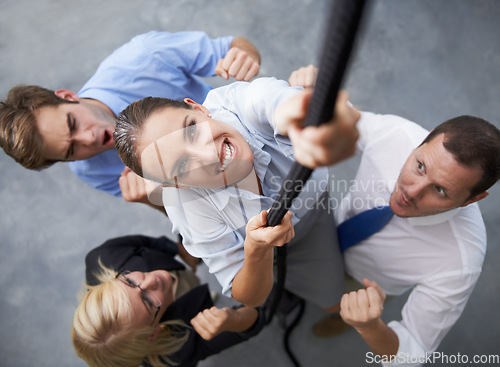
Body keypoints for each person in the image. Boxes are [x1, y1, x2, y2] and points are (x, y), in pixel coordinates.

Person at [113, 77, 360, 311]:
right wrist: (256, 249)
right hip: (275, 254)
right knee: (331, 297)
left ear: (199, 108)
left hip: (316, 203)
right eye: (181, 166)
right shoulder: (187, 208)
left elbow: (278, 103)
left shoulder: (244, 104)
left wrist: (302, 113)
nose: (210, 155)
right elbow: (250, 296)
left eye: (191, 130)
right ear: (174, 186)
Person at [0, 31, 261, 206]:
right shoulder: (91, 171)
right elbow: (182, 210)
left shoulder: (143, 56)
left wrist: (243, 58)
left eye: (73, 123)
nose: (89, 138)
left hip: (253, 134)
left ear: (68, 96)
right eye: (71, 150)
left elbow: (233, 46)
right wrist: (152, 199)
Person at [72, 234, 265, 367]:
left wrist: (181, 250)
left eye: (129, 281)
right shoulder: (174, 355)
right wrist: (232, 319)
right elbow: (258, 319)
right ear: (154, 334)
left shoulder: (103, 257)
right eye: (148, 301)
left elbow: (145, 242)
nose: (151, 279)